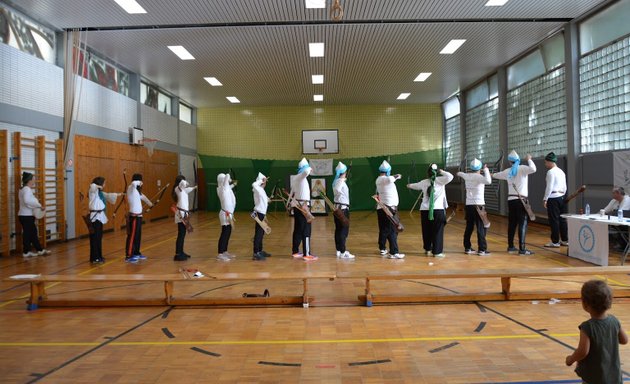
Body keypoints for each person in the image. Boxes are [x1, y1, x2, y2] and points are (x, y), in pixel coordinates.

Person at [566, 280, 628, 383]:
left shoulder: (587, 327)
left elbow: (583, 351)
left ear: (585, 304)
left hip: (595, 377)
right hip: (614, 376)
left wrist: (571, 359)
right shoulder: (614, 321)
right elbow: (624, 340)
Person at [492, 150, 537, 255]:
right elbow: (533, 169)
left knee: (512, 224)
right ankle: (522, 249)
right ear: (518, 160)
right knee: (523, 224)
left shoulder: (507, 171)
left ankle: (511, 246)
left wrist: (486, 172)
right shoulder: (523, 169)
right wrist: (529, 159)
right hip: (521, 200)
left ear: (509, 162)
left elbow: (495, 175)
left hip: (511, 201)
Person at [407, 163, 454, 258]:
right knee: (437, 230)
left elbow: (413, 185)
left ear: (427, 173)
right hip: (438, 210)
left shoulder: (424, 182)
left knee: (426, 230)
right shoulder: (441, 180)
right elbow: (450, 176)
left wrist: (409, 185)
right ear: (436, 172)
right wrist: (442, 171)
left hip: (425, 210)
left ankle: (428, 249)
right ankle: (437, 252)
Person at [456, 158, 492, 256]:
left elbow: (459, 173)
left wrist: (459, 172)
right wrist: (486, 170)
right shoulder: (479, 177)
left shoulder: (466, 176)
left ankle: (467, 248)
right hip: (479, 205)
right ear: (479, 168)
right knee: (481, 227)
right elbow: (488, 181)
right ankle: (482, 249)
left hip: (469, 206)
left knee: (469, 227)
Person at [88, 177, 121, 264]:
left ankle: (98, 256)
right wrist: (98, 186)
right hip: (95, 218)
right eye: (104, 183)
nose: (104, 185)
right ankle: (95, 258)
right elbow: (92, 186)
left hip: (100, 217)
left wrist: (120, 194)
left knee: (99, 238)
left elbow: (109, 195)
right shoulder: (93, 191)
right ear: (100, 183)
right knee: (95, 238)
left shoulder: (100, 193)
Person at [376, 160, 404, 259]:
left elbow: (390, 179)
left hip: (385, 209)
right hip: (388, 209)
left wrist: (396, 176)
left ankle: (383, 248)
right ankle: (394, 252)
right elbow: (390, 179)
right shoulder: (382, 179)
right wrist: (397, 175)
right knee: (392, 230)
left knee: (386, 229)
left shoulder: (381, 179)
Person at [18, 172, 51, 257]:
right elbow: (27, 201)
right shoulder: (27, 189)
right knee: (28, 233)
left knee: (32, 233)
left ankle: (39, 250)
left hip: (24, 215)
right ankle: (26, 252)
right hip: (26, 216)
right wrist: (39, 205)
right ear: (29, 180)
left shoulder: (23, 189)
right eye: (33, 179)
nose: (34, 181)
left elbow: (26, 201)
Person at [290, 158, 317, 261]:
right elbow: (306, 171)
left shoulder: (296, 178)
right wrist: (308, 168)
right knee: (306, 230)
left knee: (297, 229)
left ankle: (295, 251)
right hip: (302, 208)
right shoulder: (301, 177)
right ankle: (307, 254)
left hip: (298, 207)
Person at [542, 152, 569, 248]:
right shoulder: (561, 171)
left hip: (553, 198)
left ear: (550, 162)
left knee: (554, 220)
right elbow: (565, 187)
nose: (545, 164)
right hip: (562, 197)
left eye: (546, 162)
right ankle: (565, 240)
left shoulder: (550, 172)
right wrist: (563, 196)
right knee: (562, 220)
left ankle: (555, 241)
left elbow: (549, 187)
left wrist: (545, 199)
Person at [125, 173, 152, 263]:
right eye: (141, 180)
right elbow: (133, 184)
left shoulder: (137, 192)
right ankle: (129, 255)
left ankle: (136, 253)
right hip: (134, 216)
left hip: (139, 216)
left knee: (137, 236)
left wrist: (150, 204)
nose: (141, 182)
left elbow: (143, 197)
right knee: (132, 236)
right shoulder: (131, 188)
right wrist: (138, 182)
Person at [172, 175, 196, 261]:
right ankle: (178, 254)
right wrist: (185, 181)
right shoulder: (177, 189)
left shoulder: (183, 190)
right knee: (181, 234)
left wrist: (194, 187)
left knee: (183, 234)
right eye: (183, 181)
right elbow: (182, 184)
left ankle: (181, 252)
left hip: (184, 214)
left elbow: (188, 189)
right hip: (181, 215)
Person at [333, 161, 354, 259]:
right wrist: (342, 181)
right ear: (344, 172)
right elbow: (337, 189)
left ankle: (339, 250)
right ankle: (343, 251)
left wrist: (342, 180)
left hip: (338, 208)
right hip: (342, 209)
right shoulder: (339, 181)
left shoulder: (337, 180)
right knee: (343, 230)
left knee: (339, 229)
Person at [602, 187, 630, 251]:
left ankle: (623, 244)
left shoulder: (627, 200)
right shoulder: (614, 200)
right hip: (617, 223)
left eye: (613, 193)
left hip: (626, 224)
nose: (612, 194)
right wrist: (598, 214)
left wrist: (612, 213)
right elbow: (605, 210)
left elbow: (621, 213)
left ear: (618, 193)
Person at [217, 172, 237, 261]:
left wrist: (233, 184)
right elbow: (227, 178)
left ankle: (225, 251)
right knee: (224, 233)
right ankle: (220, 253)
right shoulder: (221, 188)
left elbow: (229, 187)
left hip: (229, 214)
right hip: (225, 214)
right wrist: (228, 178)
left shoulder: (226, 188)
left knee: (228, 232)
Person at [252, 172, 271, 261]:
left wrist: (268, 199)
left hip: (262, 213)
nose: (265, 182)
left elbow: (265, 199)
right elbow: (254, 184)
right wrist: (261, 180)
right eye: (264, 181)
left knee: (261, 233)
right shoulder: (257, 188)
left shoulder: (261, 190)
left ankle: (260, 250)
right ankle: (256, 253)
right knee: (258, 234)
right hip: (259, 214)